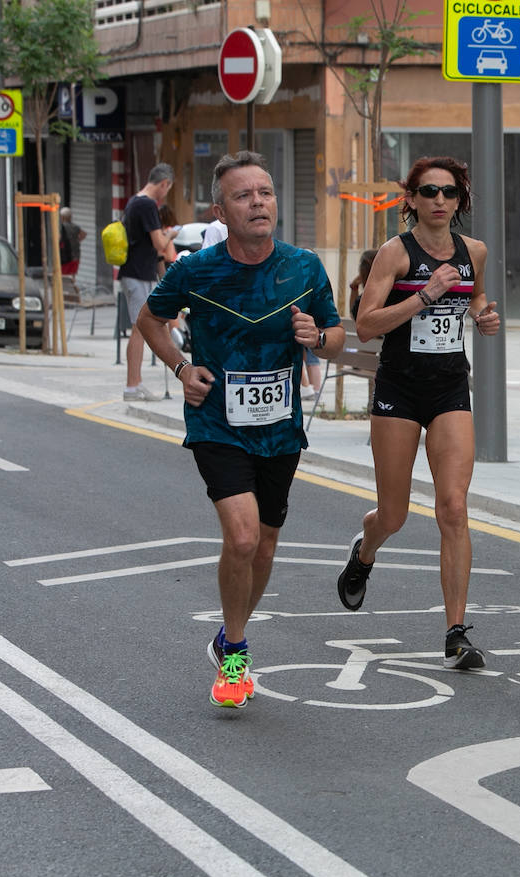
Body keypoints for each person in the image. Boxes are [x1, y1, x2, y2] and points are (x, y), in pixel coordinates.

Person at [136, 150, 345, 708]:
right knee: (244, 536)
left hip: (280, 428)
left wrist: (316, 339)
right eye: (243, 195)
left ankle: (229, 635)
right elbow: (149, 320)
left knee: (267, 546)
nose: (258, 202)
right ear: (220, 211)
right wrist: (182, 369)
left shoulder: (303, 267)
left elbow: (337, 334)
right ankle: (235, 654)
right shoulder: (194, 271)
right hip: (217, 422)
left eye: (266, 192)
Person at [337, 156, 501, 670]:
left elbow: (474, 296)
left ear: (460, 201)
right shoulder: (395, 253)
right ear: (410, 199)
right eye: (428, 191)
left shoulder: (474, 251)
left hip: (451, 386)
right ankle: (365, 550)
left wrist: (483, 314)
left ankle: (456, 632)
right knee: (394, 514)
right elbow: (365, 325)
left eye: (449, 193)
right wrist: (425, 296)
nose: (439, 201)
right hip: (399, 390)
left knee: (453, 507)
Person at [120, 163, 179, 401]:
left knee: (140, 328)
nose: (166, 193)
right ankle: (132, 386)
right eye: (168, 188)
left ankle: (135, 384)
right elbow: (159, 244)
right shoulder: (146, 205)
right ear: (164, 183)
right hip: (137, 274)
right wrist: (171, 235)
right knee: (139, 328)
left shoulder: (134, 201)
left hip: (137, 272)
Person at [348, 248, 378, 321]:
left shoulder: (370, 298)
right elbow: (354, 313)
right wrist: (354, 287)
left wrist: (354, 287)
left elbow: (355, 315)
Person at [58, 207, 85, 278]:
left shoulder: (62, 227)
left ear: (62, 217)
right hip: (76, 255)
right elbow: (83, 234)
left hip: (65, 256)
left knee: (63, 276)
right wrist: (77, 240)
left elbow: (59, 238)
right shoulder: (75, 227)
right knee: (73, 274)